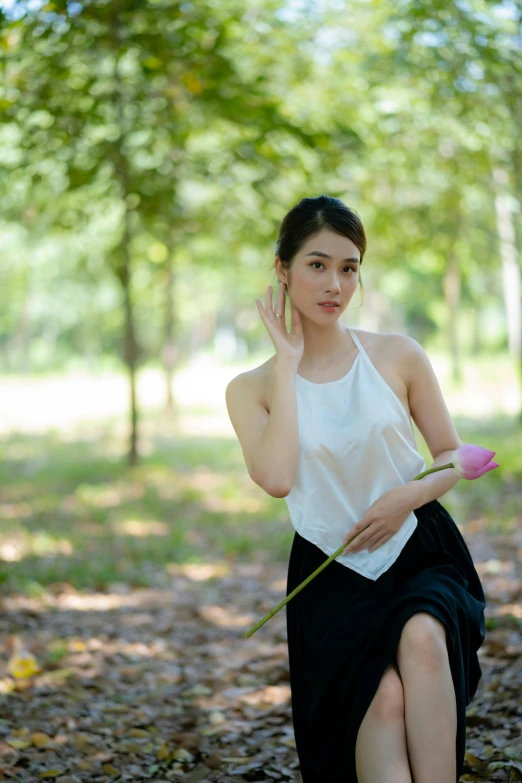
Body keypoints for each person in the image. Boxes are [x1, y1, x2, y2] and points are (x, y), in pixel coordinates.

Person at [225, 195, 486, 783]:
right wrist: (288, 365)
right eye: (317, 265)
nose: (334, 284)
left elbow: (452, 456)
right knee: (382, 699)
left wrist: (405, 498)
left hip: (419, 549)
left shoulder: (398, 355)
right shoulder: (252, 388)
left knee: (423, 637)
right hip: (331, 569)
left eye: (349, 268)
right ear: (282, 269)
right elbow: (276, 479)